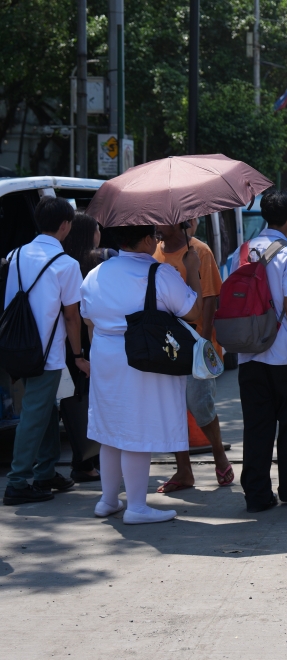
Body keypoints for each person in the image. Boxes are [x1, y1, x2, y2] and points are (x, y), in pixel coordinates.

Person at [81, 224, 203, 524]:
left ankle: (108, 499)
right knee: (137, 431)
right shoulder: (160, 273)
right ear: (147, 239)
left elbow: (88, 318)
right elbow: (194, 311)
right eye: (155, 236)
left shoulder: (96, 273)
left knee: (110, 431)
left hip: (105, 355)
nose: (159, 240)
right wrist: (193, 272)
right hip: (142, 356)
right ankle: (136, 506)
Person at [2, 198, 89, 506]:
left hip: (16, 347)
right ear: (66, 226)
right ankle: (18, 482)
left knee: (44, 410)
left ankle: (46, 471)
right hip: (47, 353)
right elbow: (71, 316)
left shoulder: (15, 255)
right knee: (35, 415)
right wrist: (78, 354)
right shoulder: (66, 265)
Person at [237, 190, 287, 513]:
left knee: (256, 426)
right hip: (284, 352)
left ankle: (257, 494)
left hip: (249, 351)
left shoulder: (243, 250)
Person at [152, 220, 233, 493]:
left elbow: (210, 298)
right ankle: (183, 470)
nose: (156, 226)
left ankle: (219, 453)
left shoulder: (200, 251)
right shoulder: (153, 251)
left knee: (200, 405)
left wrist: (203, 341)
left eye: (161, 221)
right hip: (165, 345)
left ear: (178, 221)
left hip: (195, 343)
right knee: (171, 409)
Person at [60, 212, 116, 484]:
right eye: (97, 228)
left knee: (78, 402)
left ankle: (84, 461)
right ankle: (86, 463)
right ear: (91, 232)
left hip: (71, 345)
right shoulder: (104, 259)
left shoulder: (66, 261)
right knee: (100, 404)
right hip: (99, 342)